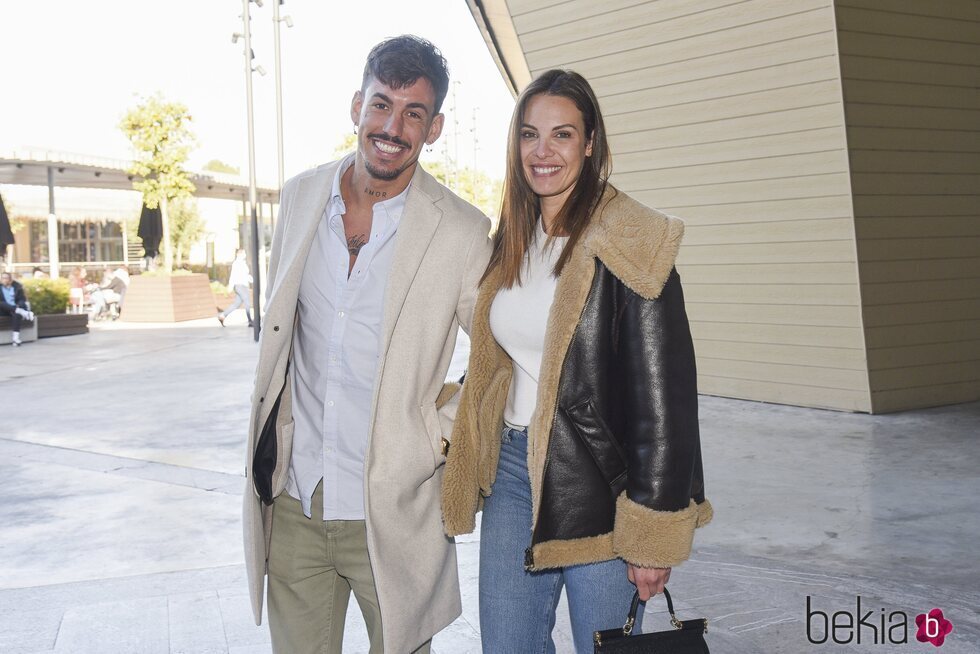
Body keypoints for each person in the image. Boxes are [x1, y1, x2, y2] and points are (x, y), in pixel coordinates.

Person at [440, 69, 713, 653]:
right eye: (530, 135)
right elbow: (502, 363)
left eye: (562, 135)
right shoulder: (514, 238)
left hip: (600, 491)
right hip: (513, 475)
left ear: (590, 144)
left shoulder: (630, 241)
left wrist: (652, 537)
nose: (543, 152)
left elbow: (664, 405)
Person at [243, 35, 492, 654]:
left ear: (433, 129)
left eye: (413, 114)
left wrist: (436, 435)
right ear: (357, 105)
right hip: (297, 501)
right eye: (382, 104)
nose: (392, 127)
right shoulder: (301, 197)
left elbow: (499, 354)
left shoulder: (461, 230)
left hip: (394, 511)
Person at [216, 249, 253, 327]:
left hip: (243, 285)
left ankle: (222, 316)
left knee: (236, 304)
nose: (245, 255)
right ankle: (250, 321)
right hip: (240, 286)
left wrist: (250, 279)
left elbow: (245, 275)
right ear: (239, 254)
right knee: (247, 302)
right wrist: (230, 286)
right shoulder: (237, 263)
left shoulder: (243, 263)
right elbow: (233, 275)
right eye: (244, 253)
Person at [1, 271, 35, 346]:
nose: (4, 280)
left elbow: (22, 299)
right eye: (3, 278)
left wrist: (19, 304)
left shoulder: (17, 287)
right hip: (3, 310)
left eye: (6, 278)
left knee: (17, 315)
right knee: (1, 303)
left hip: (15, 308)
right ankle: (24, 313)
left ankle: (15, 339)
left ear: (10, 279)